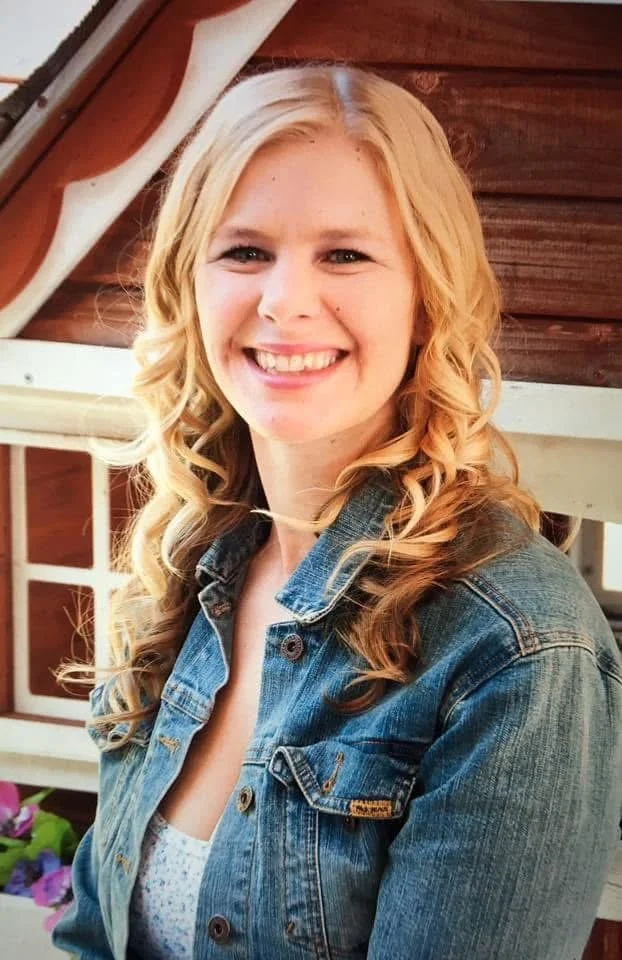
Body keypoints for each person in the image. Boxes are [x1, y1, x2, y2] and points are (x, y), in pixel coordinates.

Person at [53, 63, 622, 960]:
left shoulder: (518, 652)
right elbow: (96, 934)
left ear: (427, 295)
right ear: (189, 285)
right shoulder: (189, 573)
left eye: (345, 254)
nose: (284, 302)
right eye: (244, 252)